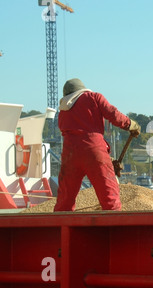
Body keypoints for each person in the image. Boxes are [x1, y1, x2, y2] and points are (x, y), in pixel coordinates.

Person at [54, 78, 140, 212]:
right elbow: (113, 114)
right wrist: (131, 125)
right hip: (95, 150)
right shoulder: (93, 97)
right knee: (109, 198)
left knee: (65, 200)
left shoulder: (63, 109)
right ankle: (114, 226)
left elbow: (74, 139)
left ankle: (60, 228)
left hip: (69, 155)